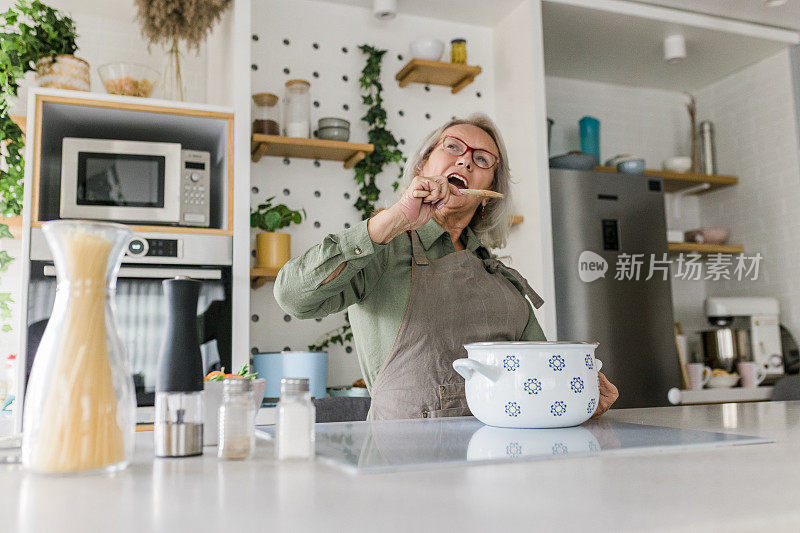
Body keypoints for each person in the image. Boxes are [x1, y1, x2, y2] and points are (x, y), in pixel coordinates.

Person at [275, 114, 619, 420]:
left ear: (488, 193)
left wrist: (581, 397)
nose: (466, 161)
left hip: (497, 468)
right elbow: (293, 298)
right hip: (402, 469)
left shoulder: (501, 279)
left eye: (482, 159)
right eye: (453, 147)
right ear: (423, 164)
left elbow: (538, 380)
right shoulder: (381, 251)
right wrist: (394, 218)